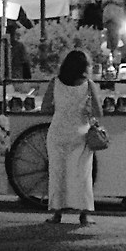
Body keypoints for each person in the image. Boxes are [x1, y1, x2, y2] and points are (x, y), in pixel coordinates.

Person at [44, 47, 97, 227]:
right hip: (80, 133)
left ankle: (57, 213)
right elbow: (99, 111)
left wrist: (61, 108)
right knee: (82, 174)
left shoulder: (55, 82)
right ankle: (84, 215)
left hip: (57, 131)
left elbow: (45, 108)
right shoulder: (88, 85)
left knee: (57, 172)